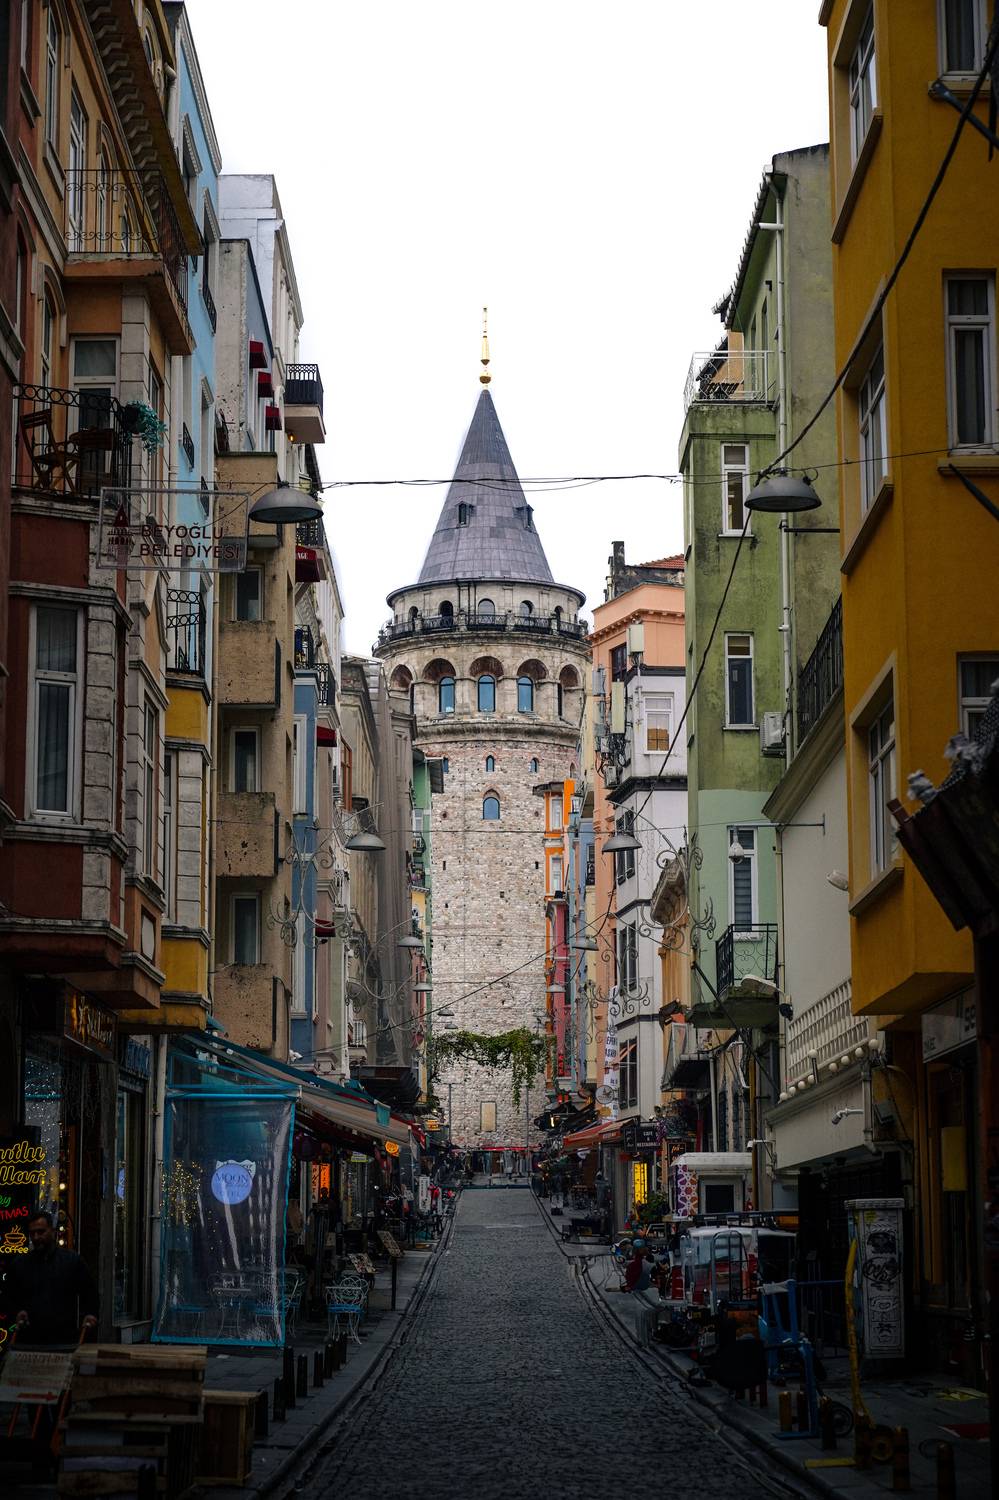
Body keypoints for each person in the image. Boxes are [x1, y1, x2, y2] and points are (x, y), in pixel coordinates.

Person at [1, 1211, 98, 1346]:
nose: (36, 1237)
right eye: (32, 1233)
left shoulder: (72, 1261)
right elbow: (8, 1297)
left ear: (52, 1232)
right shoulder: (19, 1264)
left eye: (41, 1232)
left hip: (63, 1340)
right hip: (28, 1341)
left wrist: (90, 1314)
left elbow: (90, 1293)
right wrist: (17, 1313)